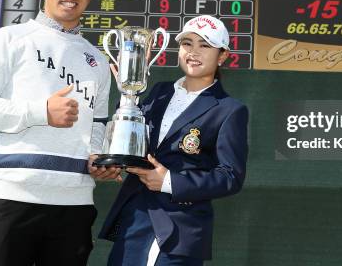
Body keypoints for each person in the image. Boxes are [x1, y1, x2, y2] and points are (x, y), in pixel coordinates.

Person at [0, 0, 119, 266]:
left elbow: (98, 124)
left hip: (75, 205)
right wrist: (40, 112)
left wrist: (98, 160)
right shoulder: (8, 38)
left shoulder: (99, 61)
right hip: (13, 198)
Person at [98, 15, 249, 266]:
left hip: (179, 228)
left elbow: (230, 177)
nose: (194, 52)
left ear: (222, 56)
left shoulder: (229, 110)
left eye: (205, 45)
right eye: (187, 43)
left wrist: (169, 181)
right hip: (135, 218)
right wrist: (127, 94)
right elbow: (132, 139)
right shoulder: (158, 91)